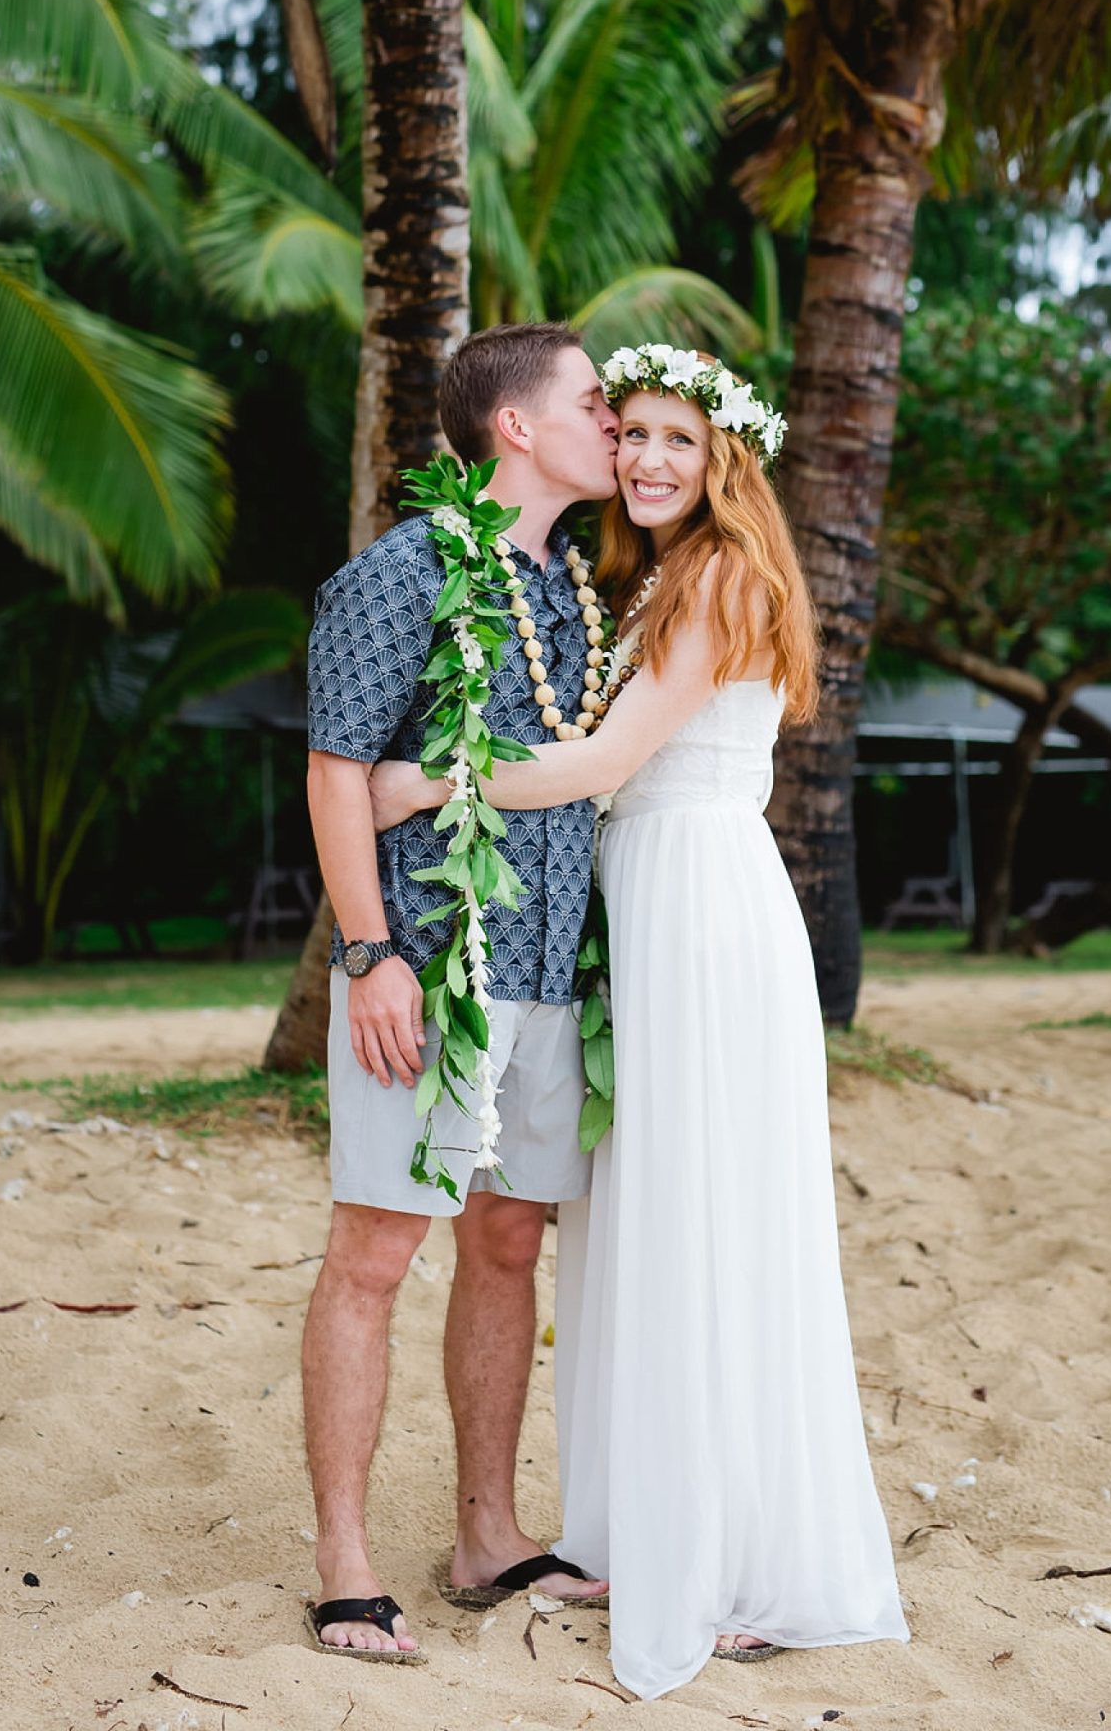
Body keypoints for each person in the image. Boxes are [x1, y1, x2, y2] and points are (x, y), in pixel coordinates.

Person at [370, 343, 909, 1701]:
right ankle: (670, 1522)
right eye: (635, 435)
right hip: (643, 903)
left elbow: (607, 766)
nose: (651, 460)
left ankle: (750, 1557)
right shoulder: (642, 578)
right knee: (651, 1220)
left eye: (680, 440)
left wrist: (425, 784)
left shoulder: (719, 573)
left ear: (725, 460)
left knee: (712, 1219)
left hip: (700, 909)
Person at [300, 322, 620, 1662]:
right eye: (595, 403)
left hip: (552, 971)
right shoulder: (405, 569)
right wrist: (370, 957)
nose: (617, 423)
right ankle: (344, 1563)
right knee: (377, 1252)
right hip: (431, 969)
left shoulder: (579, 588)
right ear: (515, 428)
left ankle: (486, 1535)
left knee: (505, 1244)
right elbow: (333, 769)